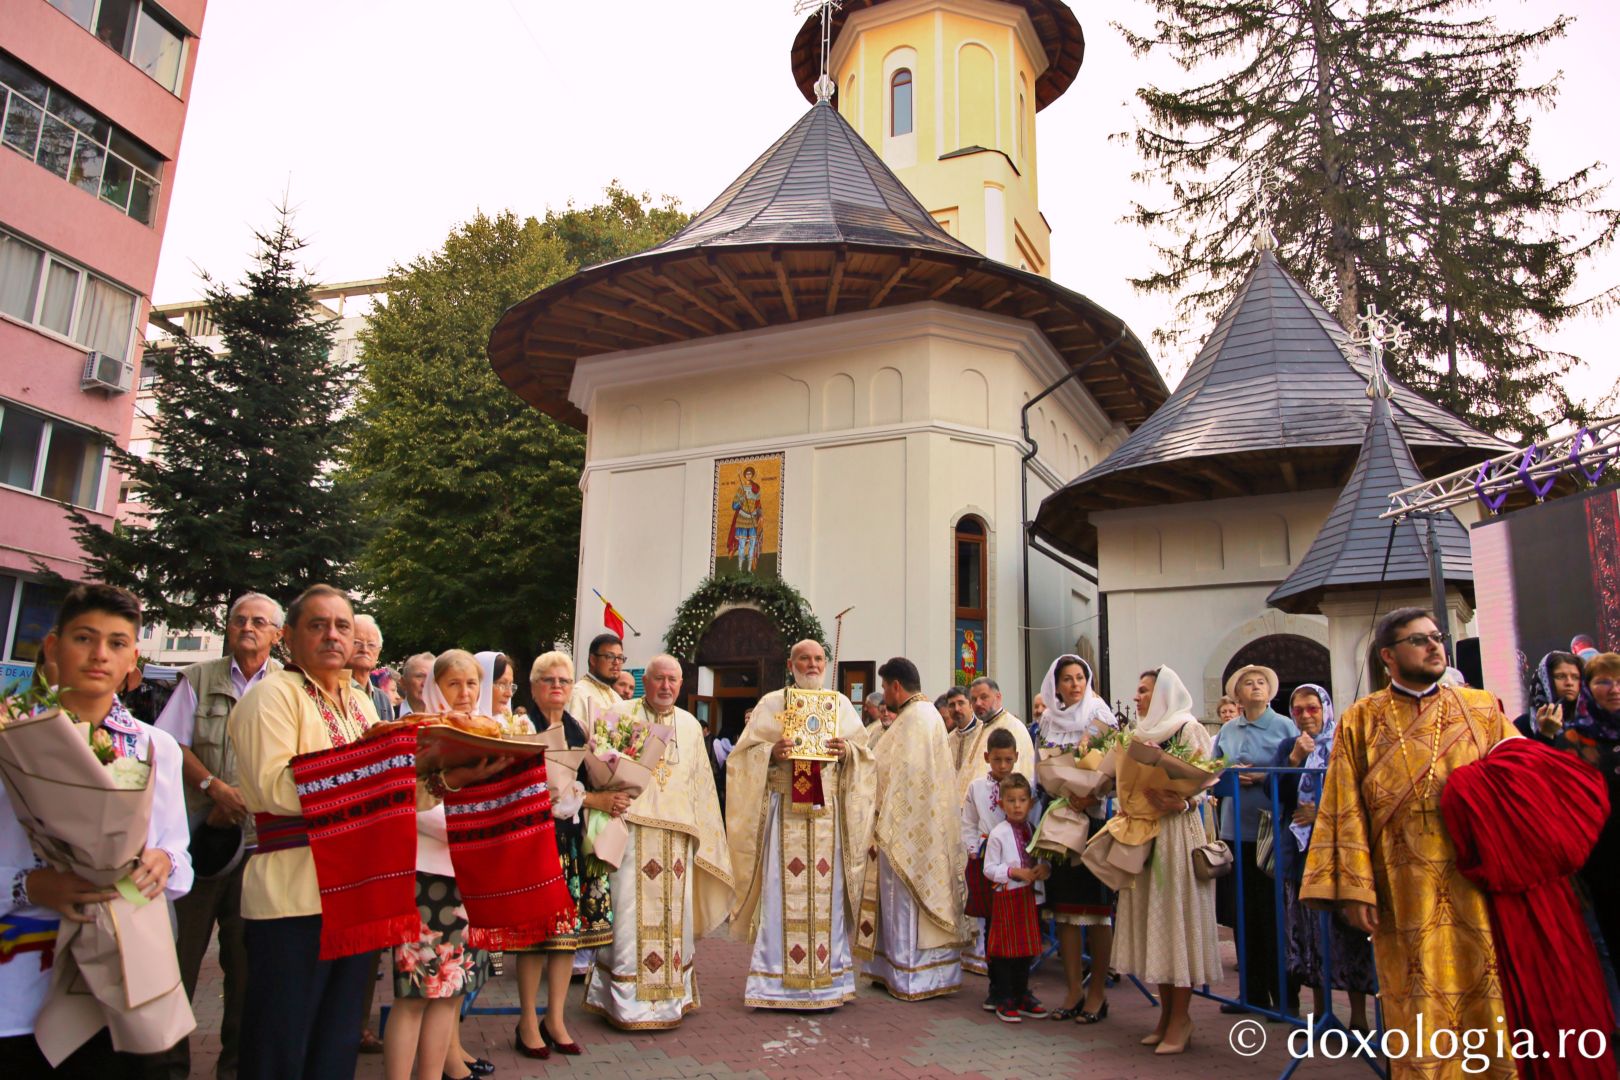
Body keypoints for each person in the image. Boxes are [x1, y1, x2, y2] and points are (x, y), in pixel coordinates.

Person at [228, 586, 496, 1080]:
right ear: (287, 637)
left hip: (358, 896)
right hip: (294, 894)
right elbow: (273, 791)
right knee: (281, 1043)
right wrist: (379, 768)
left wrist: (449, 778)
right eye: (317, 625)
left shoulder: (361, 705)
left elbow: (397, 790)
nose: (333, 635)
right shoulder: (272, 696)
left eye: (342, 626)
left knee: (337, 1042)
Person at [1300, 608, 1519, 1079]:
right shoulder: (1362, 718)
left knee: (1488, 990)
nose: (1434, 645)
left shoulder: (1481, 708)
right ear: (1388, 656)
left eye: (1437, 637)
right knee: (1414, 998)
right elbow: (1343, 805)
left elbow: (1519, 782)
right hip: (1401, 888)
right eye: (1419, 640)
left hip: (1476, 881)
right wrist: (1355, 890)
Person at [0, 585, 193, 1077]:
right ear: (52, 646)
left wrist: (165, 862)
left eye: (117, 642)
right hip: (17, 982)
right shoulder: (10, 740)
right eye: (84, 638)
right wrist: (29, 885)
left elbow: (178, 853)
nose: (99, 654)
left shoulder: (156, 748)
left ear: (133, 661)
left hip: (122, 977)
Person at [153, 592, 283, 1078]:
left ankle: (236, 1067)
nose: (247, 627)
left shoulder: (289, 687)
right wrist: (212, 786)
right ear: (228, 629)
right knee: (179, 963)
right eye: (239, 620)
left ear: (277, 634)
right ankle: (168, 1066)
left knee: (246, 970)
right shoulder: (198, 679)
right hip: (201, 845)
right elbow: (169, 745)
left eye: (259, 622)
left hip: (260, 850)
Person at [582, 655, 734, 1029]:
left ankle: (671, 999)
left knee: (673, 920)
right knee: (627, 916)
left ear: (681, 685)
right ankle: (623, 1001)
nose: (666, 686)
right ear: (644, 681)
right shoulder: (621, 713)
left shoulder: (689, 724)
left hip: (676, 838)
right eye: (659, 679)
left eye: (673, 680)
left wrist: (706, 837)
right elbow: (600, 774)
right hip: (632, 831)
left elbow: (701, 786)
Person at [726, 640, 874, 1010]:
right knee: (779, 886)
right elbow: (741, 757)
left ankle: (830, 981)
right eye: (804, 659)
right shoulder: (772, 703)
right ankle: (775, 983)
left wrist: (848, 753)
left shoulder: (840, 705)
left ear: (826, 664)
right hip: (785, 812)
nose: (812, 664)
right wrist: (770, 753)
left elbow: (866, 756)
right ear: (791, 664)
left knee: (830, 891)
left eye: (818, 659)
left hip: (827, 816)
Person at [384, 651, 494, 1080]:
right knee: (414, 995)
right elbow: (407, 805)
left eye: (471, 684)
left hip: (468, 880)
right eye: (454, 684)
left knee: (450, 990)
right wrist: (472, 828)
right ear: (434, 687)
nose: (465, 694)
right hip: (426, 877)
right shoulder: (420, 736)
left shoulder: (488, 733)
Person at [1113, 666, 1223, 1055]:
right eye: (1139, 691)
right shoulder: (1138, 735)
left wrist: (1184, 799)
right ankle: (1165, 1015)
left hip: (1177, 832)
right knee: (1155, 923)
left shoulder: (1187, 727)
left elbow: (1206, 780)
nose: (1138, 697)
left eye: (1144, 691)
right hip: (1147, 831)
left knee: (1177, 922)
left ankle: (1183, 1018)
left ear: (1163, 694)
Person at [511, 651, 613, 1059]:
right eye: (549, 680)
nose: (557, 687)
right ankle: (525, 1022)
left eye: (564, 681)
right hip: (532, 841)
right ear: (534, 686)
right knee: (534, 938)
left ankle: (554, 1018)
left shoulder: (577, 728)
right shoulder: (521, 726)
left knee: (564, 939)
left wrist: (597, 793)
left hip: (569, 842)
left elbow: (589, 781)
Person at [856, 657, 968, 1000]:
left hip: (908, 830)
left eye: (886, 688)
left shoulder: (916, 719)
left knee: (904, 902)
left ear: (895, 687)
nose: (885, 697)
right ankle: (891, 968)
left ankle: (911, 975)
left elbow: (902, 776)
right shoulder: (920, 717)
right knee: (897, 903)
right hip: (915, 826)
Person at [1270, 684, 1374, 1031]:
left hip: (1337, 849)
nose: (1305, 716)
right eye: (1298, 710)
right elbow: (1277, 796)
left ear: (1325, 708)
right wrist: (1294, 761)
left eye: (1312, 709)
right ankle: (1320, 1011)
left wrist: (1323, 813)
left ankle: (1358, 1015)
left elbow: (1357, 791)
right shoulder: (1288, 746)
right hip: (1299, 851)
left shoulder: (1344, 743)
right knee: (1306, 932)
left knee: (1346, 932)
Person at [1034, 654, 1118, 1022]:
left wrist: (1094, 794)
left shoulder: (1100, 717)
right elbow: (1043, 768)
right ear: (1056, 685)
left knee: (1097, 914)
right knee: (1064, 913)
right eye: (1067, 679)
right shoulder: (1049, 720)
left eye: (1080, 677)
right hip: (1060, 821)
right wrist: (1063, 791)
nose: (1075, 684)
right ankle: (1072, 991)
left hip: (1093, 821)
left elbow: (1115, 771)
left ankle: (1097, 992)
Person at [1212, 663, 1297, 1012]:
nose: (1256, 686)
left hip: (1271, 828)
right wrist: (1226, 773)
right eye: (1248, 683)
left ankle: (1285, 998)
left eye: (1262, 681)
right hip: (1236, 828)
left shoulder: (1283, 726)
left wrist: (1261, 776)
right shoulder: (1229, 729)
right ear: (1237, 694)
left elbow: (1293, 770)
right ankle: (1252, 993)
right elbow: (1212, 767)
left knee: (1273, 913)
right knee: (1242, 913)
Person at [1553, 652, 1620, 987]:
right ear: (1589, 688)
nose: (1615, 689)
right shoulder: (1572, 739)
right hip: (1599, 862)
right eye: (1604, 681)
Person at [982, 772, 1049, 1023]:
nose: (1017, 806)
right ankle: (1004, 995)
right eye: (1011, 800)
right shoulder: (998, 834)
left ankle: (1022, 993)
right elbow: (989, 869)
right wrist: (1012, 872)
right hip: (1007, 897)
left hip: (1028, 898)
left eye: (1022, 800)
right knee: (1005, 951)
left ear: (1030, 803)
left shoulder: (1033, 830)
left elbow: (1040, 860)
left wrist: (1044, 869)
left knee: (1025, 950)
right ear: (1002, 804)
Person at [960, 727, 1018, 981]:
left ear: (1016, 757)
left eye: (1008, 760)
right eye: (997, 759)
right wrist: (972, 847)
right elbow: (969, 821)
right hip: (985, 858)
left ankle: (1015, 977)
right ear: (986, 758)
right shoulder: (977, 788)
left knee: (1013, 918)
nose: (1003, 766)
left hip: (1014, 860)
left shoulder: (1021, 787)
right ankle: (992, 971)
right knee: (990, 917)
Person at [1514, 651, 1584, 742]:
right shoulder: (1523, 725)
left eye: (1575, 677)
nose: (1569, 683)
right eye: (1560, 676)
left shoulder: (1592, 722)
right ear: (1545, 679)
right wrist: (1545, 734)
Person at [568, 633, 625, 727]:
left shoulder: (617, 697)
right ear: (593, 660)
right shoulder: (578, 693)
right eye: (610, 656)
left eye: (620, 657)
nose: (617, 662)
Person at [351, 615, 393, 724]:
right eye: (356, 643)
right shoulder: (333, 693)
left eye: (371, 645)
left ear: (378, 653)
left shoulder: (383, 699)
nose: (364, 649)